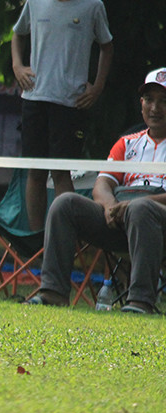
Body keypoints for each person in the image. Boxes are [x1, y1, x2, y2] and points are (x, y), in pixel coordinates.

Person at [26, 69, 166, 314]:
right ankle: (53, 292)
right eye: (150, 100)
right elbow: (102, 184)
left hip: (157, 224)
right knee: (65, 203)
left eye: (164, 101)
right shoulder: (127, 143)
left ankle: (141, 301)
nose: (155, 108)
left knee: (141, 208)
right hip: (119, 219)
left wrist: (137, 204)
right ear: (141, 104)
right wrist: (111, 206)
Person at [12, 0, 113, 232]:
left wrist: (97, 86)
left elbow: (107, 46)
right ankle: (36, 241)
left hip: (70, 102)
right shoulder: (35, 1)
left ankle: (64, 240)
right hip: (34, 98)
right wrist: (18, 66)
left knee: (60, 171)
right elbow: (18, 33)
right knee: (34, 171)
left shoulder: (92, 6)